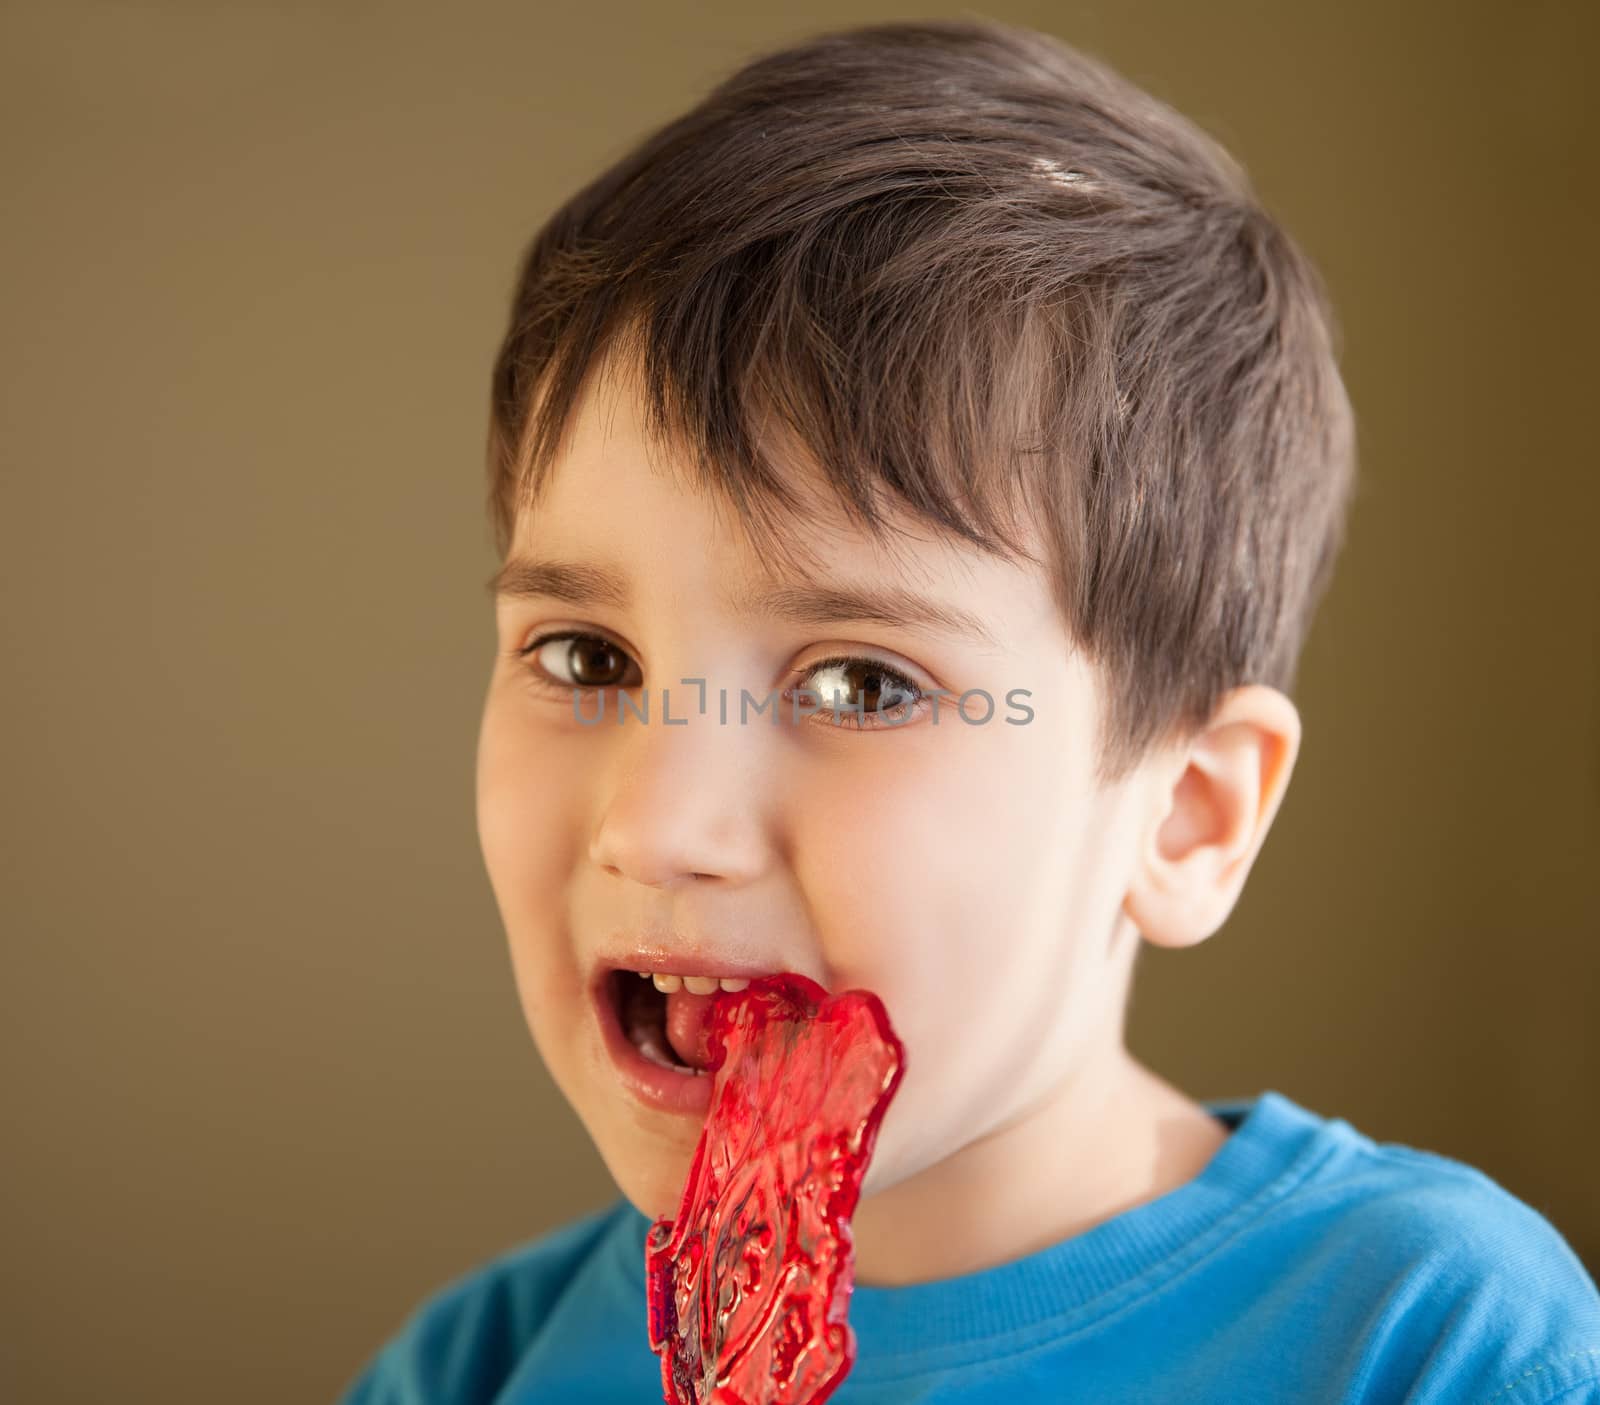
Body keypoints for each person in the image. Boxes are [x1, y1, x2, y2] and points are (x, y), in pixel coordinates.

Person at [337, 17, 1600, 1403]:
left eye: (862, 682)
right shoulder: (477, 1367)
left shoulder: (1432, 1341)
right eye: (584, 658)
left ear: (1184, 815)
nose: (658, 823)